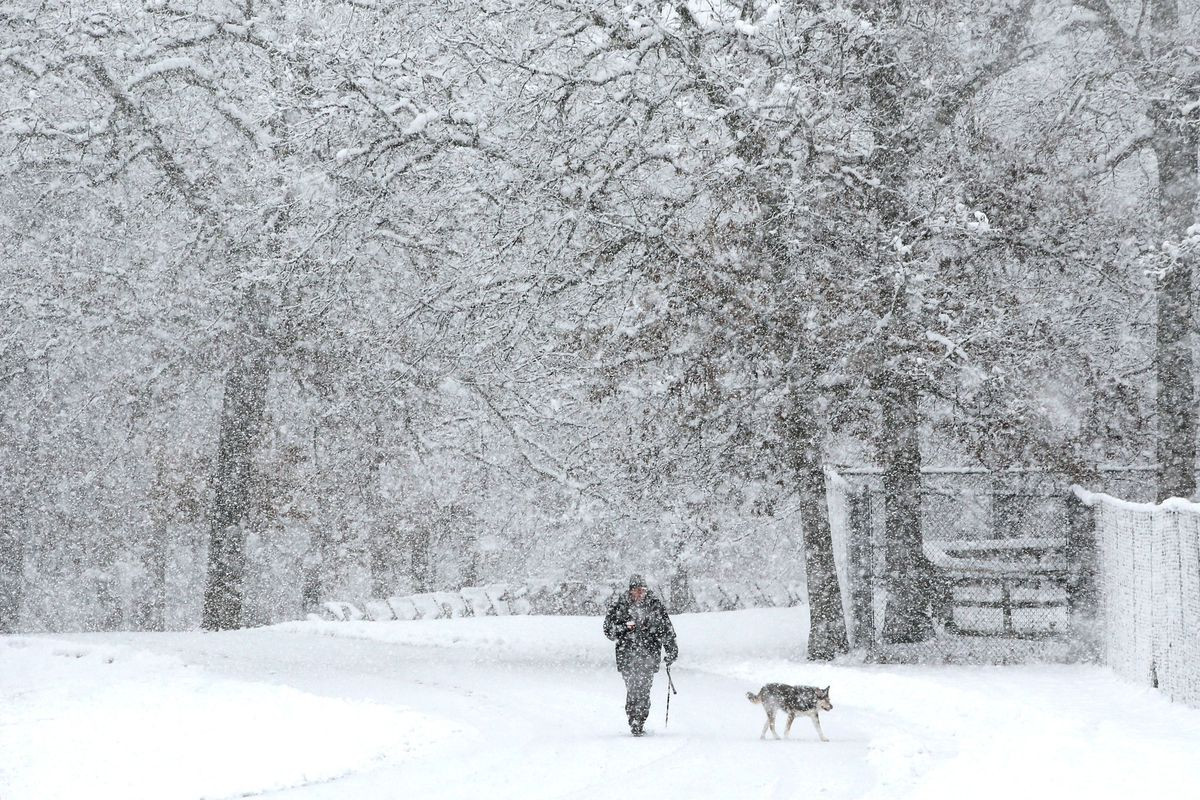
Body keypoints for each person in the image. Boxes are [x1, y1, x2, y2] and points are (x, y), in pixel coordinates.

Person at [602, 574, 678, 736]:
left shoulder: (655, 606)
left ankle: (640, 720)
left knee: (644, 689)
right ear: (630, 591)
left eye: (642, 590)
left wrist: (671, 650)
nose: (639, 594)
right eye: (636, 590)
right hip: (626, 655)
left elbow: (667, 630)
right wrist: (624, 627)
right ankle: (633, 719)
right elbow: (608, 630)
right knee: (632, 688)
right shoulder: (619, 606)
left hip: (649, 654)